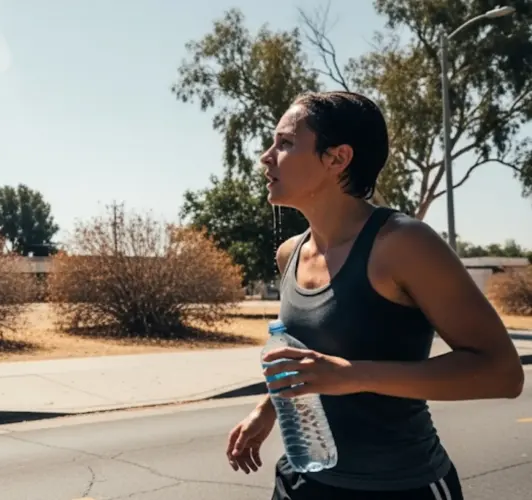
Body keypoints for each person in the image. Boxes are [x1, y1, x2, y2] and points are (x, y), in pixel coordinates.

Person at [225, 90, 525, 500]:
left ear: (337, 158)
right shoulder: (290, 254)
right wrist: (268, 408)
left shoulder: (402, 244)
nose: (266, 156)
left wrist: (353, 375)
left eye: (286, 143)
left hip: (401, 486)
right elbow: (311, 361)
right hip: (302, 481)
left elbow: (503, 373)